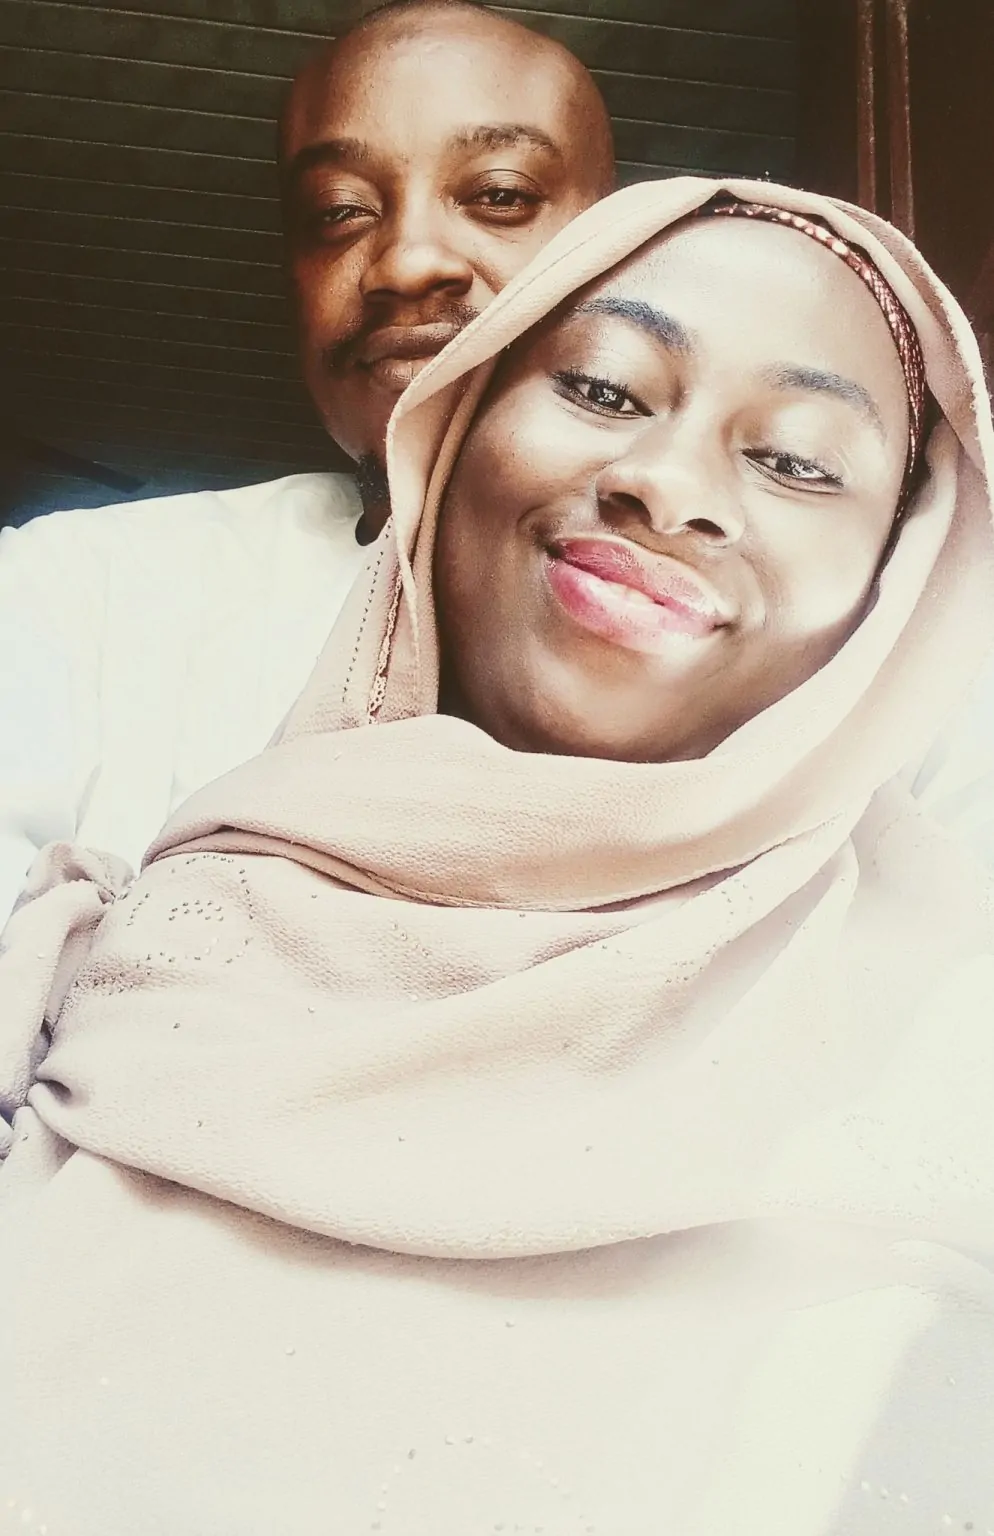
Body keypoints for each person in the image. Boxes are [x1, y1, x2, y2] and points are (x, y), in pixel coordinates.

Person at [1, 176, 993, 1535]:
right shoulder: (146, 945)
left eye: (798, 461)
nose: (667, 484)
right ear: (457, 427)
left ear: (901, 582)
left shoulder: (950, 1036)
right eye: (601, 387)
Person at [0, 0, 614, 928]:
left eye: (498, 194)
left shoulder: (803, 637)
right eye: (339, 211)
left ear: (624, 252)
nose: (406, 261)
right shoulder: (84, 590)